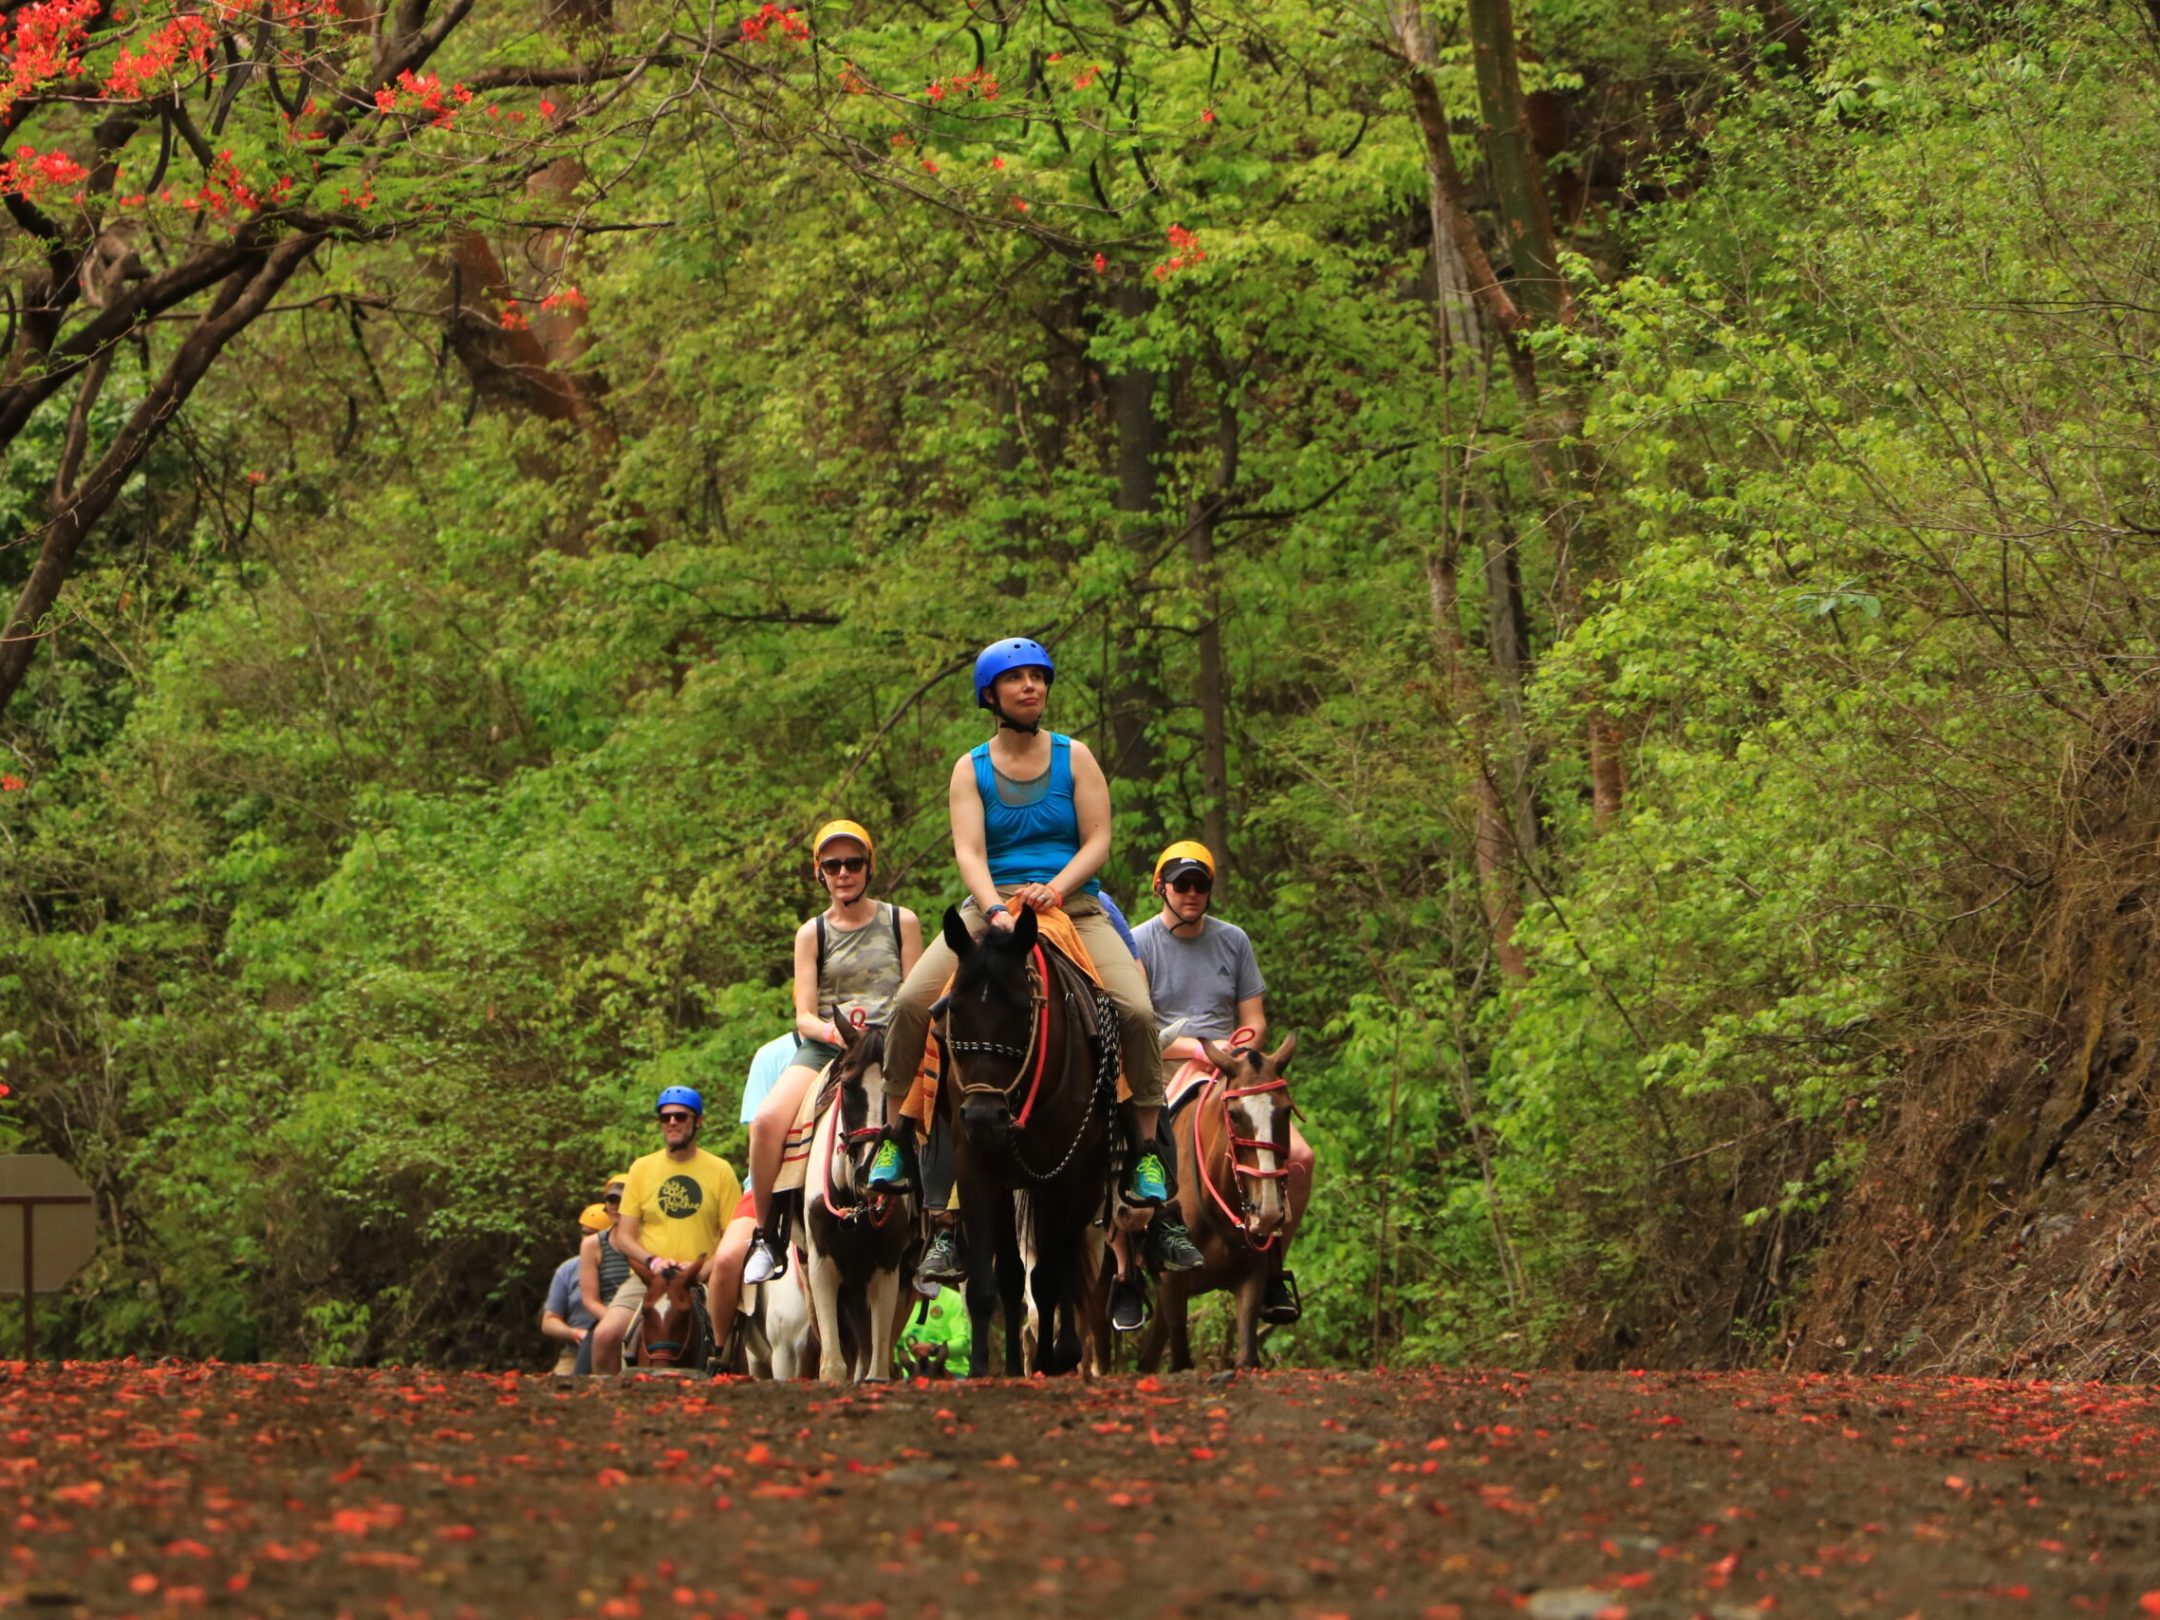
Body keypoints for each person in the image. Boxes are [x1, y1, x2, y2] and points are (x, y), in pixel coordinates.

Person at [875, 636, 1202, 1275]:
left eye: (1038, 677)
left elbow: (1099, 838)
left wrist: (1058, 886)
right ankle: (894, 1141)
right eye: (1017, 678)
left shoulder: (1075, 757)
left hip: (1072, 905)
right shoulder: (970, 768)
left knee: (1137, 1010)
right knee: (912, 1001)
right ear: (991, 695)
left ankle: (1144, 1155)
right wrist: (994, 908)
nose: (1031, 686)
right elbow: (970, 852)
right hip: (991, 907)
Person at [1133, 839, 1312, 1323]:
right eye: (1182, 884)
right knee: (1128, 1155)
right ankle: (1127, 1273)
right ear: (1161, 887)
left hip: (1232, 1068)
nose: (1191, 893)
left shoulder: (1234, 940)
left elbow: (1255, 1019)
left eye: (1200, 884)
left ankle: (1272, 1268)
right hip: (1169, 1064)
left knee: (1301, 1156)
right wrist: (1197, 1050)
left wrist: (1237, 1048)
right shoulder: (1140, 942)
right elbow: (1140, 1027)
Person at [742, 821, 923, 1285]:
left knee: (939, 1117)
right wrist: (833, 1033)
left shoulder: (901, 922)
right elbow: (803, 1013)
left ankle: (939, 1231)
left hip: (890, 1049)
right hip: (829, 1048)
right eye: (833, 865)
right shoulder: (812, 933)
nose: (844, 873)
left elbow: (917, 996)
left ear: (869, 867)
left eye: (853, 864)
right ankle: (766, 1234)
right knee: (765, 1123)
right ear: (819, 872)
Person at [589, 1087, 744, 1373]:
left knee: (738, 1347)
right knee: (605, 1335)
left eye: (680, 1116)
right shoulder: (641, 1168)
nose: (672, 1122)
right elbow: (624, 1236)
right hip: (651, 1279)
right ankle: (607, 1397)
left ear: (698, 1121)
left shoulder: (720, 1170)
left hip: (701, 1279)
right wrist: (653, 1262)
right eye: (665, 1117)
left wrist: (704, 1270)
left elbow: (733, 1236)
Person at [715, 1032, 797, 1307]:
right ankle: (719, 1335)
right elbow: (757, 1136)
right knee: (726, 1259)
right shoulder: (771, 1055)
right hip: (769, 1185)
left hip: (830, 1183)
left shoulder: (857, 1046)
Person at [572, 1172, 634, 1373]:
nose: (615, 1206)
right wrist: (615, 1321)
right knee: (583, 1372)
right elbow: (590, 1300)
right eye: (611, 1200)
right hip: (607, 1315)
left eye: (621, 1200)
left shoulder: (650, 1240)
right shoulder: (593, 1245)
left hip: (646, 1315)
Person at [542, 1201, 610, 1373]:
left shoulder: (625, 1267)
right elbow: (549, 1320)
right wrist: (575, 1333)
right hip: (575, 1353)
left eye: (593, 1235)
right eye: (584, 1233)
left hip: (615, 1350)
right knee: (562, 1382)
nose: (586, 1239)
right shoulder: (568, 1269)